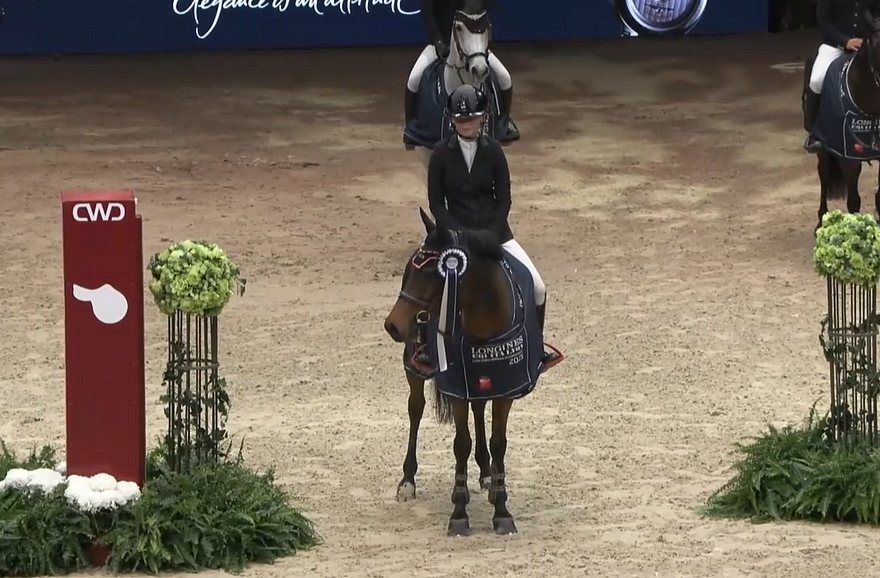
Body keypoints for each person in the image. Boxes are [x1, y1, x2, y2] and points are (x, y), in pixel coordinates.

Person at [423, 84, 558, 367]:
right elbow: (436, 203)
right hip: (455, 236)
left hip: (495, 234)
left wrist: (490, 235)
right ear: (452, 120)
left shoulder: (494, 151)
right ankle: (426, 348)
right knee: (428, 284)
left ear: (482, 118)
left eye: (471, 118)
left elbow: (504, 199)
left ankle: (536, 347)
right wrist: (457, 234)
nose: (467, 123)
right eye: (461, 119)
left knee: (538, 287)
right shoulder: (439, 154)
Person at [404, 0, 516, 137]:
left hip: (472, 46)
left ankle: (504, 123)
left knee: (504, 77)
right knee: (414, 78)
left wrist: (482, 43)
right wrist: (437, 41)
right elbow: (429, 15)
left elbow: (484, 15)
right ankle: (411, 127)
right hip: (441, 43)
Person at [804, 0, 880, 151]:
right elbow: (823, 21)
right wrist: (845, 41)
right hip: (835, 45)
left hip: (865, 45)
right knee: (817, 79)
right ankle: (814, 132)